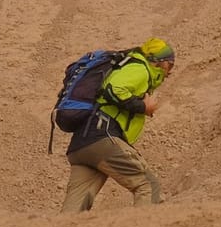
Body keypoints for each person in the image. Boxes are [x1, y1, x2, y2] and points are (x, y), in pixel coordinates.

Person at [62, 37, 175, 212]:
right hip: (101, 136)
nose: (171, 72)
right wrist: (142, 106)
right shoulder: (140, 68)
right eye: (171, 65)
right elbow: (112, 89)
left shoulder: (129, 66)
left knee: (74, 209)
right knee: (148, 185)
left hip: (82, 145)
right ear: (159, 63)